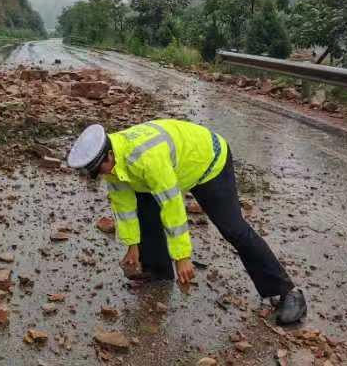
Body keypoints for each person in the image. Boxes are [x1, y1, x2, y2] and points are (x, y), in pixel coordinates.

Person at [66, 118, 307, 325]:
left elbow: (173, 206)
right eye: (96, 173)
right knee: (144, 206)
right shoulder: (111, 163)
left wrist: (183, 257)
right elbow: (124, 206)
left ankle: (287, 292)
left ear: (109, 154)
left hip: (208, 162)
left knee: (233, 228)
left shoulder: (146, 157)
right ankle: (157, 270)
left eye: (102, 168)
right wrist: (132, 245)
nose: (103, 174)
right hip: (174, 167)